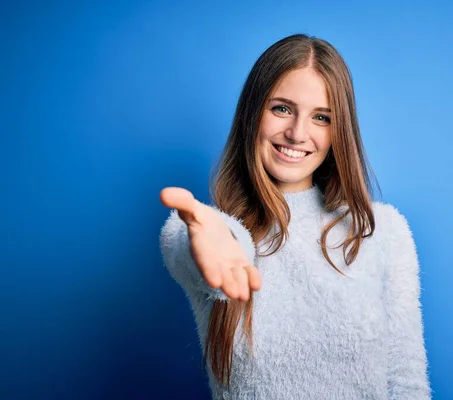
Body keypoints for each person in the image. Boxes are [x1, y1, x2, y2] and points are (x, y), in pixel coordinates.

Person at [159, 33, 431, 399]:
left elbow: (407, 381)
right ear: (253, 113)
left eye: (321, 117)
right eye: (282, 108)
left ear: (339, 132)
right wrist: (203, 239)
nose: (297, 133)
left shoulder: (383, 231)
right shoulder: (210, 230)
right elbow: (198, 249)